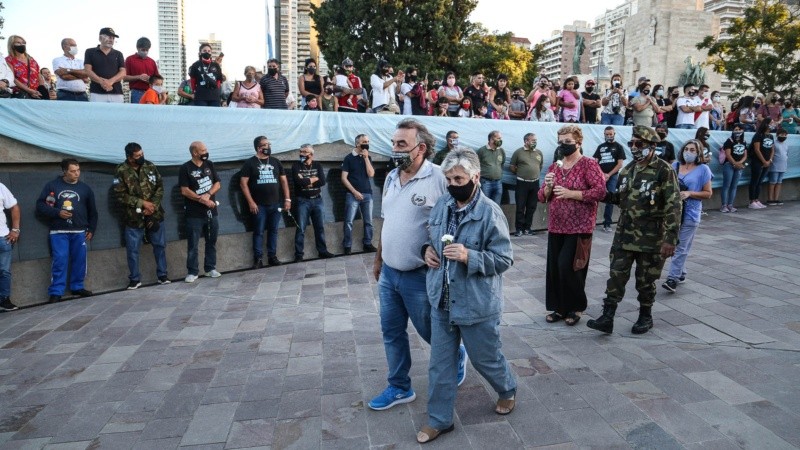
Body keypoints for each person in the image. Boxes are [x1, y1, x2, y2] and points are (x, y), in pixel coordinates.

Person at [417, 148, 516, 444]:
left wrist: (468, 256)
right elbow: (429, 237)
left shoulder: (490, 212)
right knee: (440, 363)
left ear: (475, 176)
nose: (453, 183)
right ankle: (440, 419)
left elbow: (504, 259)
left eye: (458, 177)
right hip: (442, 301)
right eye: (448, 178)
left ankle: (507, 388)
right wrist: (427, 251)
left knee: (485, 359)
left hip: (476, 303)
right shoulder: (443, 205)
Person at [369, 118, 459, 411]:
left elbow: (455, 221)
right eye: (394, 143)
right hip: (390, 274)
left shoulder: (439, 178)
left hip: (419, 275)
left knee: (430, 332)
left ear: (420, 148)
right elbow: (387, 220)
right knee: (391, 331)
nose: (394, 150)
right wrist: (380, 257)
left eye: (401, 145)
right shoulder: (391, 176)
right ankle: (399, 386)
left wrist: (440, 247)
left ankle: (456, 355)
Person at [586, 126, 680, 335]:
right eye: (632, 144)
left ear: (652, 146)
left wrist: (670, 238)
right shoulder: (628, 170)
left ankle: (645, 316)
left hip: (651, 238)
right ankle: (607, 317)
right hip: (624, 235)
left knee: (645, 281)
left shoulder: (664, 170)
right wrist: (600, 193)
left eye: (639, 144)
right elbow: (620, 200)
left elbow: (673, 205)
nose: (634, 148)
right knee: (615, 276)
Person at [538, 125, 606, 326]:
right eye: (561, 142)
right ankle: (559, 307)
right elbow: (542, 197)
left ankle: (575, 307)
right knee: (555, 269)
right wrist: (548, 186)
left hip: (579, 225)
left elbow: (600, 191)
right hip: (557, 224)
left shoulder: (589, 164)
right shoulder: (555, 166)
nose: (564, 146)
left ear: (579, 142)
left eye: (568, 142)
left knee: (569, 267)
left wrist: (572, 194)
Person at [36, 159, 98, 303]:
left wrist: (91, 229)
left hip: (79, 231)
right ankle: (56, 291)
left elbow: (93, 212)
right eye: (72, 171)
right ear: (64, 171)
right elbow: (40, 205)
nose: (76, 174)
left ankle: (77, 287)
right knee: (60, 259)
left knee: (80, 260)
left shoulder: (85, 188)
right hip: (59, 231)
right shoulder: (53, 186)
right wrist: (57, 213)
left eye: (78, 170)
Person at [113, 142, 169, 289]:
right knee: (132, 249)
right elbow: (119, 195)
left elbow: (160, 187)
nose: (141, 157)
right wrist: (142, 203)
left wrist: (152, 206)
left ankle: (163, 275)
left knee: (160, 245)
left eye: (142, 154)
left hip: (154, 214)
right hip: (133, 217)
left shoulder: (150, 166)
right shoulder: (121, 170)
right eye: (137, 156)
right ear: (129, 157)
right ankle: (135, 279)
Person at [662, 140, 713, 293]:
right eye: (686, 149)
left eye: (692, 150)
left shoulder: (703, 169)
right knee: (674, 243)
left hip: (691, 212)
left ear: (698, 153)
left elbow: (708, 193)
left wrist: (690, 193)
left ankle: (673, 278)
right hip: (674, 213)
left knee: (681, 247)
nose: (688, 152)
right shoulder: (675, 166)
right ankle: (681, 272)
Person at [239, 136, 291, 268]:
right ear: (259, 148)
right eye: (265, 145)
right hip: (259, 205)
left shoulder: (275, 161)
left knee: (273, 231)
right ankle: (258, 259)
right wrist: (251, 202)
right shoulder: (250, 163)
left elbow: (284, 181)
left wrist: (287, 199)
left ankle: (272, 256)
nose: (268, 146)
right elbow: (243, 183)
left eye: (269, 144)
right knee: (259, 232)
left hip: (275, 204)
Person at [179, 142, 222, 282]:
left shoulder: (209, 164)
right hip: (194, 214)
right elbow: (184, 190)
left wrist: (208, 194)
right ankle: (192, 271)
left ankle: (210, 268)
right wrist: (201, 199)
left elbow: (217, 183)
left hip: (211, 211)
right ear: (195, 153)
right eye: (203, 150)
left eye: (206, 149)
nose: (206, 152)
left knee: (211, 240)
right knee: (193, 244)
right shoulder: (185, 168)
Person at [291, 144, 335, 262]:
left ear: (311, 154)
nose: (302, 154)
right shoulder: (296, 166)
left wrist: (307, 181)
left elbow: (322, 181)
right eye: (301, 151)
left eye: (305, 152)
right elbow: (298, 181)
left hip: (317, 200)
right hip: (302, 201)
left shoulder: (317, 165)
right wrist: (313, 179)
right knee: (301, 228)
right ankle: (299, 254)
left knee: (319, 227)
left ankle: (322, 251)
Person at [341, 134, 376, 255]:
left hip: (367, 194)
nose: (366, 143)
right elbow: (344, 178)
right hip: (352, 195)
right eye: (364, 141)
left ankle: (367, 243)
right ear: (357, 144)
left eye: (368, 141)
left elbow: (371, 174)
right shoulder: (348, 158)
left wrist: (366, 158)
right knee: (349, 221)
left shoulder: (368, 157)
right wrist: (354, 192)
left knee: (368, 221)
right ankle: (347, 245)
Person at [593, 127, 626, 232]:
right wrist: (601, 174)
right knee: (594, 198)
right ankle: (592, 222)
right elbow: (595, 162)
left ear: (614, 134)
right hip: (600, 176)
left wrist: (609, 174)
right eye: (607, 134)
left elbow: (620, 164)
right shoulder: (601, 147)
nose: (609, 136)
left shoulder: (619, 147)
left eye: (611, 134)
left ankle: (607, 224)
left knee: (610, 199)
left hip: (612, 177)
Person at [510, 133, 543, 236]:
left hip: (535, 183)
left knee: (531, 206)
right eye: (532, 140)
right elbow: (512, 167)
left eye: (535, 140)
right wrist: (522, 173)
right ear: (526, 141)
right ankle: (519, 229)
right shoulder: (518, 152)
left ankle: (527, 228)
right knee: (520, 206)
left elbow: (540, 166)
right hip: (522, 183)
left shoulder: (539, 153)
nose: (535, 142)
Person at [84, 28, 126, 103]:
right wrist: (101, 82)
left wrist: (110, 82)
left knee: (117, 115)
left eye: (113, 38)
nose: (111, 39)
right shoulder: (90, 52)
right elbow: (87, 70)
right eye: (109, 37)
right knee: (97, 114)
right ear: (100, 38)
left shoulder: (118, 54)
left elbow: (123, 72)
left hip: (116, 93)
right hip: (96, 93)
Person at [0, 182, 20, 312]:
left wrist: (15, 229)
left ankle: (4, 300)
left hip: (2, 236)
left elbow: (14, 207)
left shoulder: (0, 186)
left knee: (4, 271)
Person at [720, 124, 748, 213]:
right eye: (736, 129)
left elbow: (745, 155)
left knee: (734, 186)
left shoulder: (744, 141)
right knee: (726, 185)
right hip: (729, 164)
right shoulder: (729, 141)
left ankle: (730, 204)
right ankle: (724, 205)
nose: (738, 131)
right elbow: (728, 154)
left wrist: (739, 163)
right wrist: (735, 163)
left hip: (739, 166)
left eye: (739, 129)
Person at [747, 118, 774, 209]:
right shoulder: (758, 135)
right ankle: (752, 200)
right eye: (771, 122)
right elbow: (757, 149)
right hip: (757, 161)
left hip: (767, 162)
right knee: (754, 181)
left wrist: (769, 160)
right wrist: (763, 161)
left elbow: (772, 149)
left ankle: (757, 199)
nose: (773, 124)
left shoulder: (770, 136)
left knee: (760, 181)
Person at [124, 37, 160, 104]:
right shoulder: (130, 59)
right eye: (143, 50)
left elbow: (158, 79)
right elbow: (124, 78)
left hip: (151, 92)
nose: (145, 52)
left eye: (147, 50)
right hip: (137, 92)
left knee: (152, 113)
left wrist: (150, 79)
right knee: (138, 113)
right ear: (137, 48)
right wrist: (139, 77)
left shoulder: (152, 62)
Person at [475, 131, 505, 205]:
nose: (500, 140)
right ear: (491, 140)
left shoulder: (501, 150)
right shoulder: (482, 151)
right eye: (498, 138)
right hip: (485, 183)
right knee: (484, 204)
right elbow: (475, 165)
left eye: (500, 138)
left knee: (496, 206)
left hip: (498, 182)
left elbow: (502, 164)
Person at [767, 128, 789, 206]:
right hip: (774, 166)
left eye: (785, 135)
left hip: (783, 166)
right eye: (782, 134)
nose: (784, 136)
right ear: (777, 135)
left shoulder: (786, 144)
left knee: (779, 182)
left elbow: (786, 154)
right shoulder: (774, 143)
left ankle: (776, 199)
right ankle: (770, 199)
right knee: (772, 182)